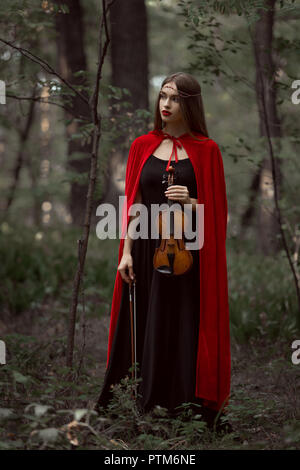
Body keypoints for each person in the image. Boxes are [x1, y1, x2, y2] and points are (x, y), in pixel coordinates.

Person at [95, 72, 232, 433]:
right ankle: (142, 402)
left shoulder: (207, 150)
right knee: (143, 321)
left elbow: (216, 214)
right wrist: (124, 253)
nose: (166, 104)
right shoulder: (142, 145)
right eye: (163, 96)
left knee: (180, 323)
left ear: (189, 104)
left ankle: (182, 405)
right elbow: (134, 204)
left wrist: (190, 200)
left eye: (175, 98)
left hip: (186, 253)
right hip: (143, 249)